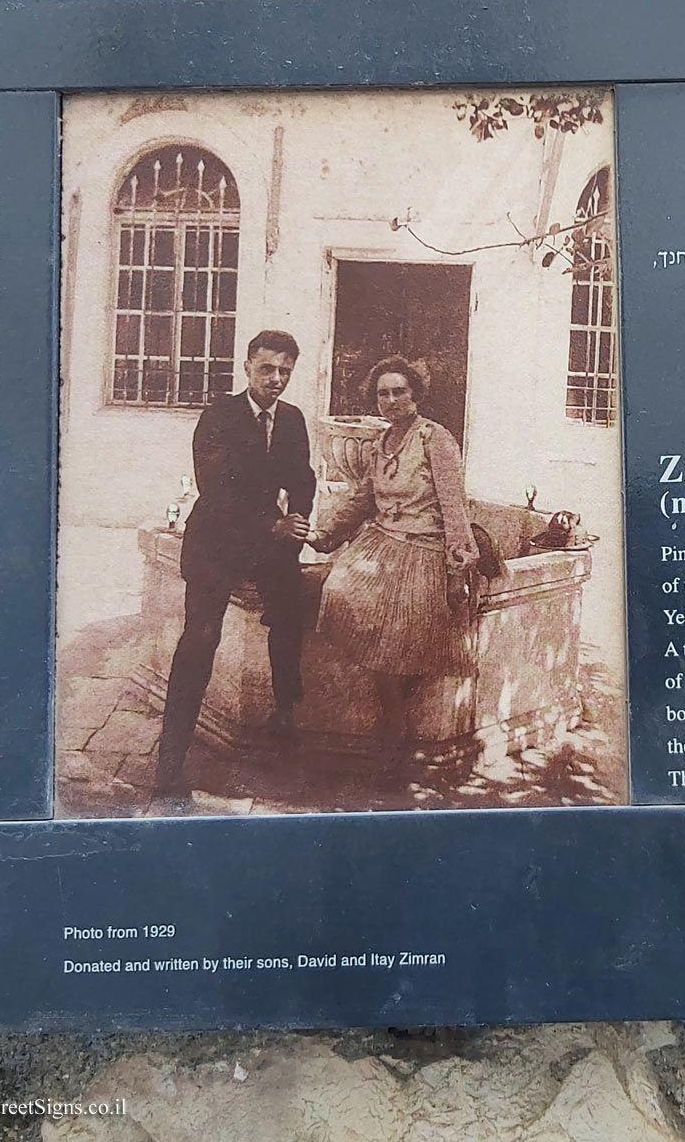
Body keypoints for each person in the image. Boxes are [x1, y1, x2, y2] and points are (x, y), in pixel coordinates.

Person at [153, 330, 316, 803]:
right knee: (200, 640)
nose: (276, 379)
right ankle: (170, 759)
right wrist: (273, 525)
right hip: (216, 543)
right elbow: (217, 488)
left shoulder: (291, 420)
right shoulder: (219, 415)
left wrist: (299, 520)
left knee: (290, 611)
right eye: (267, 369)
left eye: (285, 371)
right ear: (247, 367)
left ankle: (283, 716)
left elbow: (301, 477)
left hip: (267, 546)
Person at [312, 356, 478, 777]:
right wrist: (325, 533)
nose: (391, 400)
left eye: (399, 391)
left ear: (415, 394)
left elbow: (454, 504)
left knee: (402, 634)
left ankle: (393, 728)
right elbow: (364, 495)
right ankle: (394, 719)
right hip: (381, 543)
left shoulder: (434, 439)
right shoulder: (381, 442)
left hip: (424, 549)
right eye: (383, 393)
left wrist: (458, 568)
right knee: (337, 590)